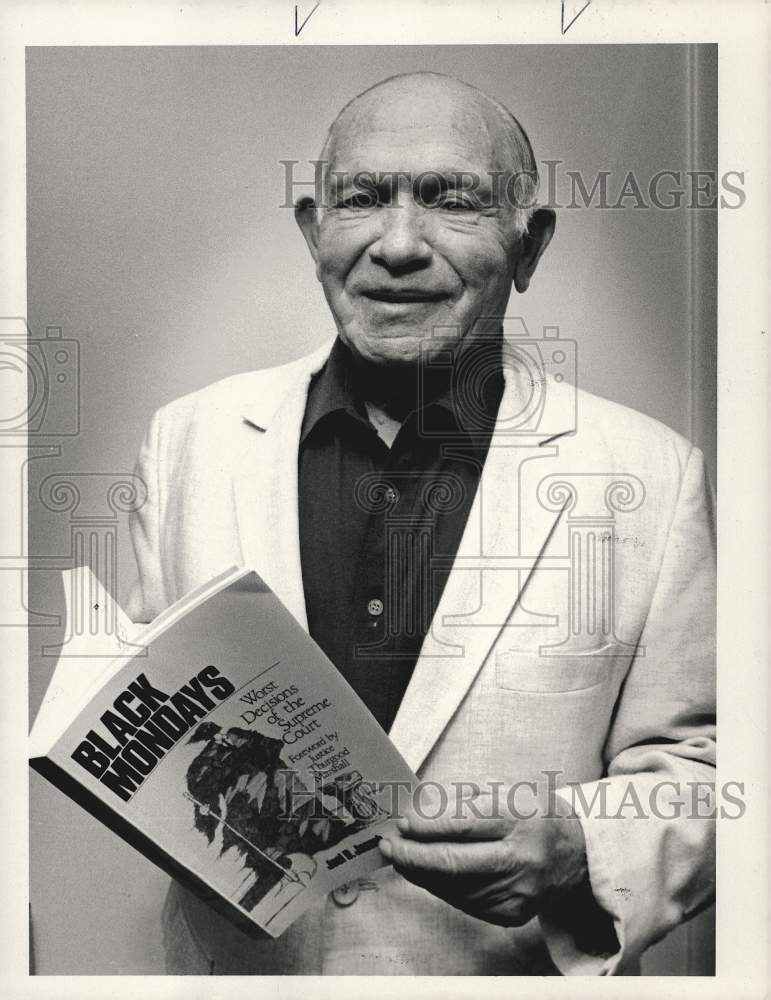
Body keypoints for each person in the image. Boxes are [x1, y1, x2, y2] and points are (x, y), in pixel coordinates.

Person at [127, 71, 716, 975]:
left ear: (529, 245)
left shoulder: (651, 476)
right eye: (362, 198)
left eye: (452, 201)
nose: (398, 244)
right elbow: (142, 723)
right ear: (312, 232)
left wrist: (581, 846)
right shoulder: (185, 442)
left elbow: (709, 772)